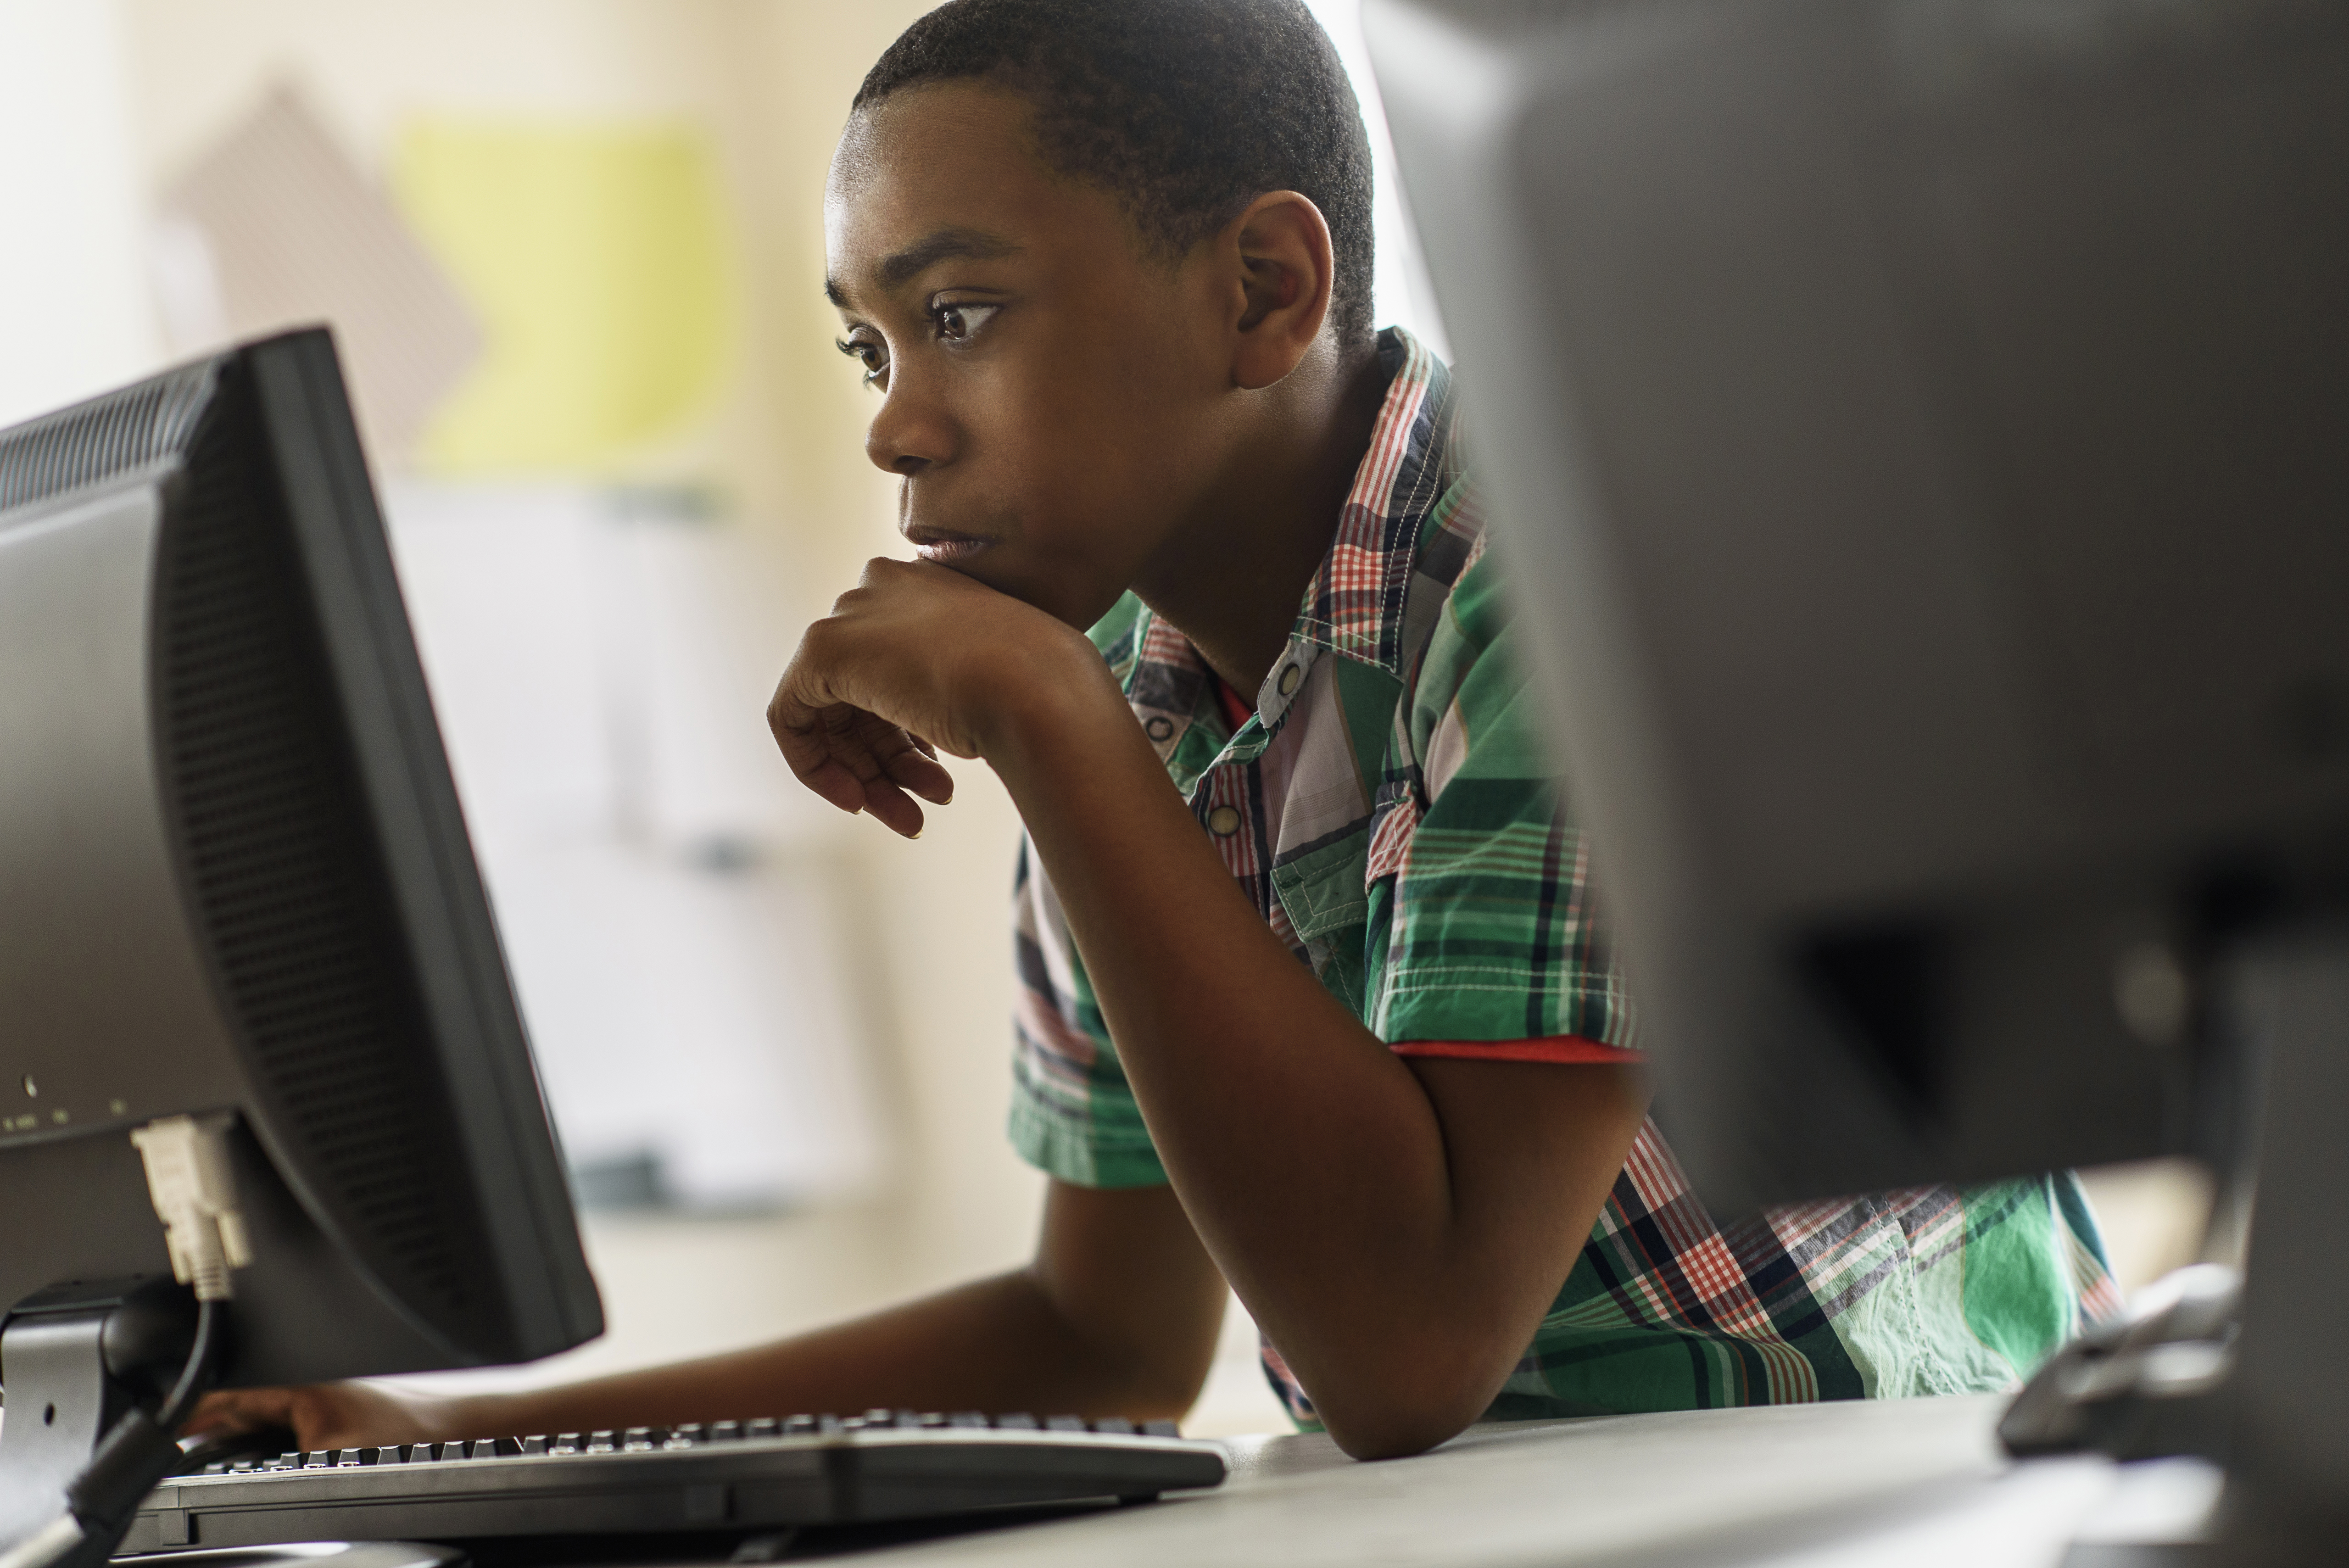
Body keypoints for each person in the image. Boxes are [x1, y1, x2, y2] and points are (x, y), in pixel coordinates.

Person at [196, 0, 2119, 1462]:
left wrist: (1049, 729)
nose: (891, 425)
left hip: (1876, 1483)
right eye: (869, 343)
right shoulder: (1124, 676)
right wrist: (449, 1441)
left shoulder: (1556, 572)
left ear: (1260, 293)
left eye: (960, 312)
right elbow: (1100, 1339)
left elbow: (1405, 1350)